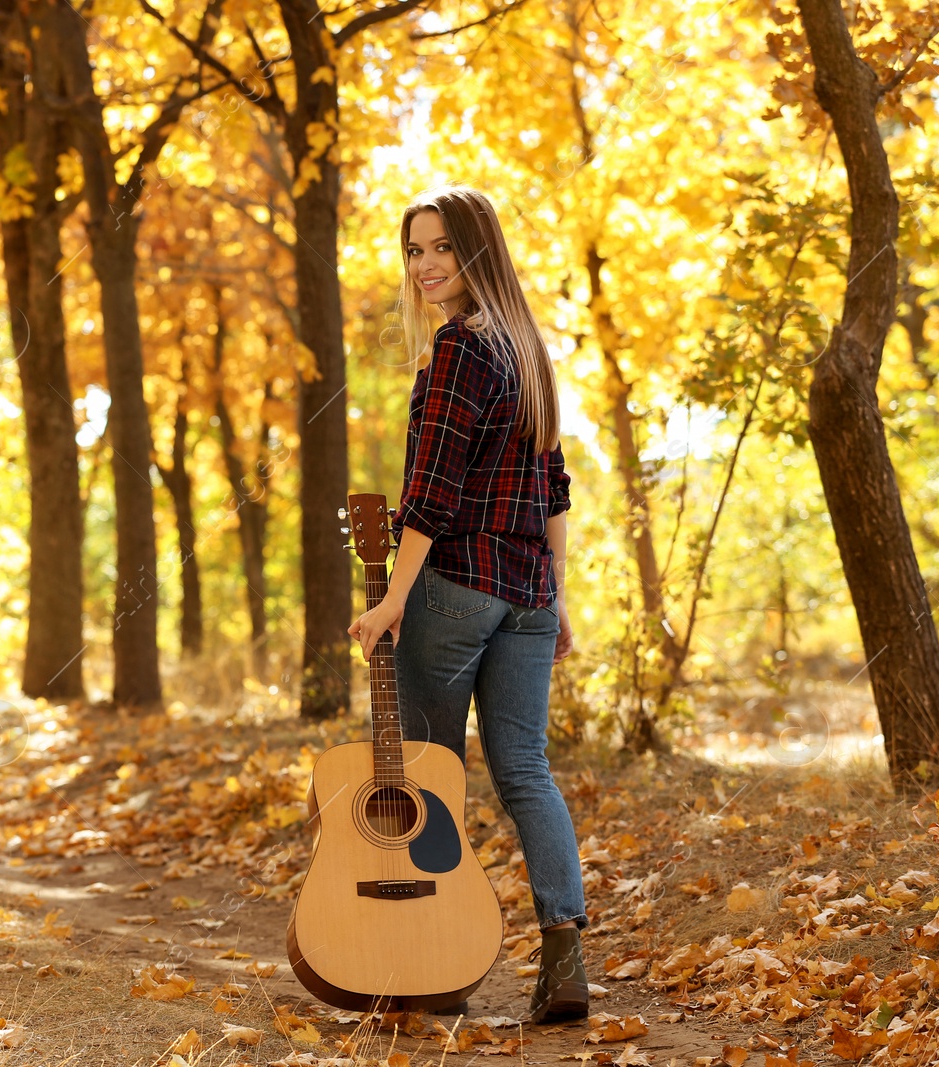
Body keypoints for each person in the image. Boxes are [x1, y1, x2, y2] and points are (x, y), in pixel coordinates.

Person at [346, 184, 588, 1025]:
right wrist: (555, 598)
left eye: (442, 247)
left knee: (428, 773)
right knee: (525, 770)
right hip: (525, 595)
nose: (425, 266)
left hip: (455, 590)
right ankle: (565, 960)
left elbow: (432, 497)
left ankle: (433, 965)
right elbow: (554, 486)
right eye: (414, 250)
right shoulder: (529, 351)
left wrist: (392, 601)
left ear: (477, 250)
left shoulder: (459, 351)